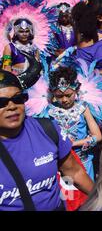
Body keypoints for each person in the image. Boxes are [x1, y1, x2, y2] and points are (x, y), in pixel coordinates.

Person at [0, 70, 93, 211]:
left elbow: (75, 173)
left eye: (18, 99)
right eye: (2, 102)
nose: (12, 106)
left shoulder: (48, 129)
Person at [47, 67, 102, 180]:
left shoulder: (83, 108)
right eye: (59, 96)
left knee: (86, 195)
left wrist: (73, 143)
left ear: (76, 91)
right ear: (53, 94)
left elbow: (98, 136)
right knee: (66, 196)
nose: (64, 100)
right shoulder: (49, 111)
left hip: (83, 162)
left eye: (68, 95)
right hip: (60, 164)